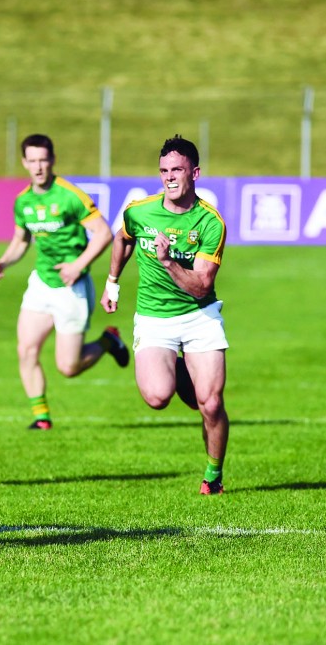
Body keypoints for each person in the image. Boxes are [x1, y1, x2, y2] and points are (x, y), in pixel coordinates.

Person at [100, 134, 230, 495]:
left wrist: (169, 262)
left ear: (195, 173)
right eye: (164, 170)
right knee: (157, 397)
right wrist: (112, 282)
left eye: (177, 170)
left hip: (199, 316)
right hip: (155, 318)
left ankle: (213, 476)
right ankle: (179, 369)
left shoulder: (209, 223)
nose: (169, 177)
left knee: (212, 403)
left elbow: (202, 285)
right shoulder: (139, 211)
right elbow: (122, 238)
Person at [0, 134, 129, 431]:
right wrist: (3, 262)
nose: (38, 166)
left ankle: (108, 341)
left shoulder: (69, 196)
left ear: (52, 160)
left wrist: (78, 265)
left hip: (72, 289)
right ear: (24, 162)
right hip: (41, 284)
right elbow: (20, 241)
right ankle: (41, 417)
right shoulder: (23, 201)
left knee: (69, 367)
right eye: (32, 160)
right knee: (26, 349)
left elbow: (104, 233)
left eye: (43, 160)